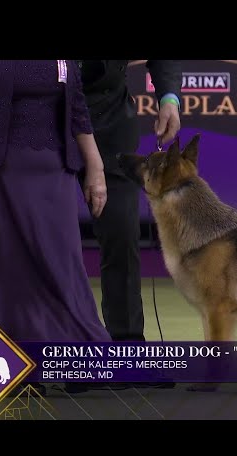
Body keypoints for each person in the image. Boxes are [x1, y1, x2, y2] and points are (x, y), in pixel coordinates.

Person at [0, 61, 113, 394]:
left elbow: (77, 108)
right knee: (3, 271)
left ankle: (73, 360)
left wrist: (96, 169)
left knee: (60, 265)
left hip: (52, 171)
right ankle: (10, 369)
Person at [70, 60, 181, 392]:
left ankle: (128, 352)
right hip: (48, 127)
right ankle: (69, 354)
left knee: (122, 238)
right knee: (54, 246)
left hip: (111, 128)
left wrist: (169, 98)